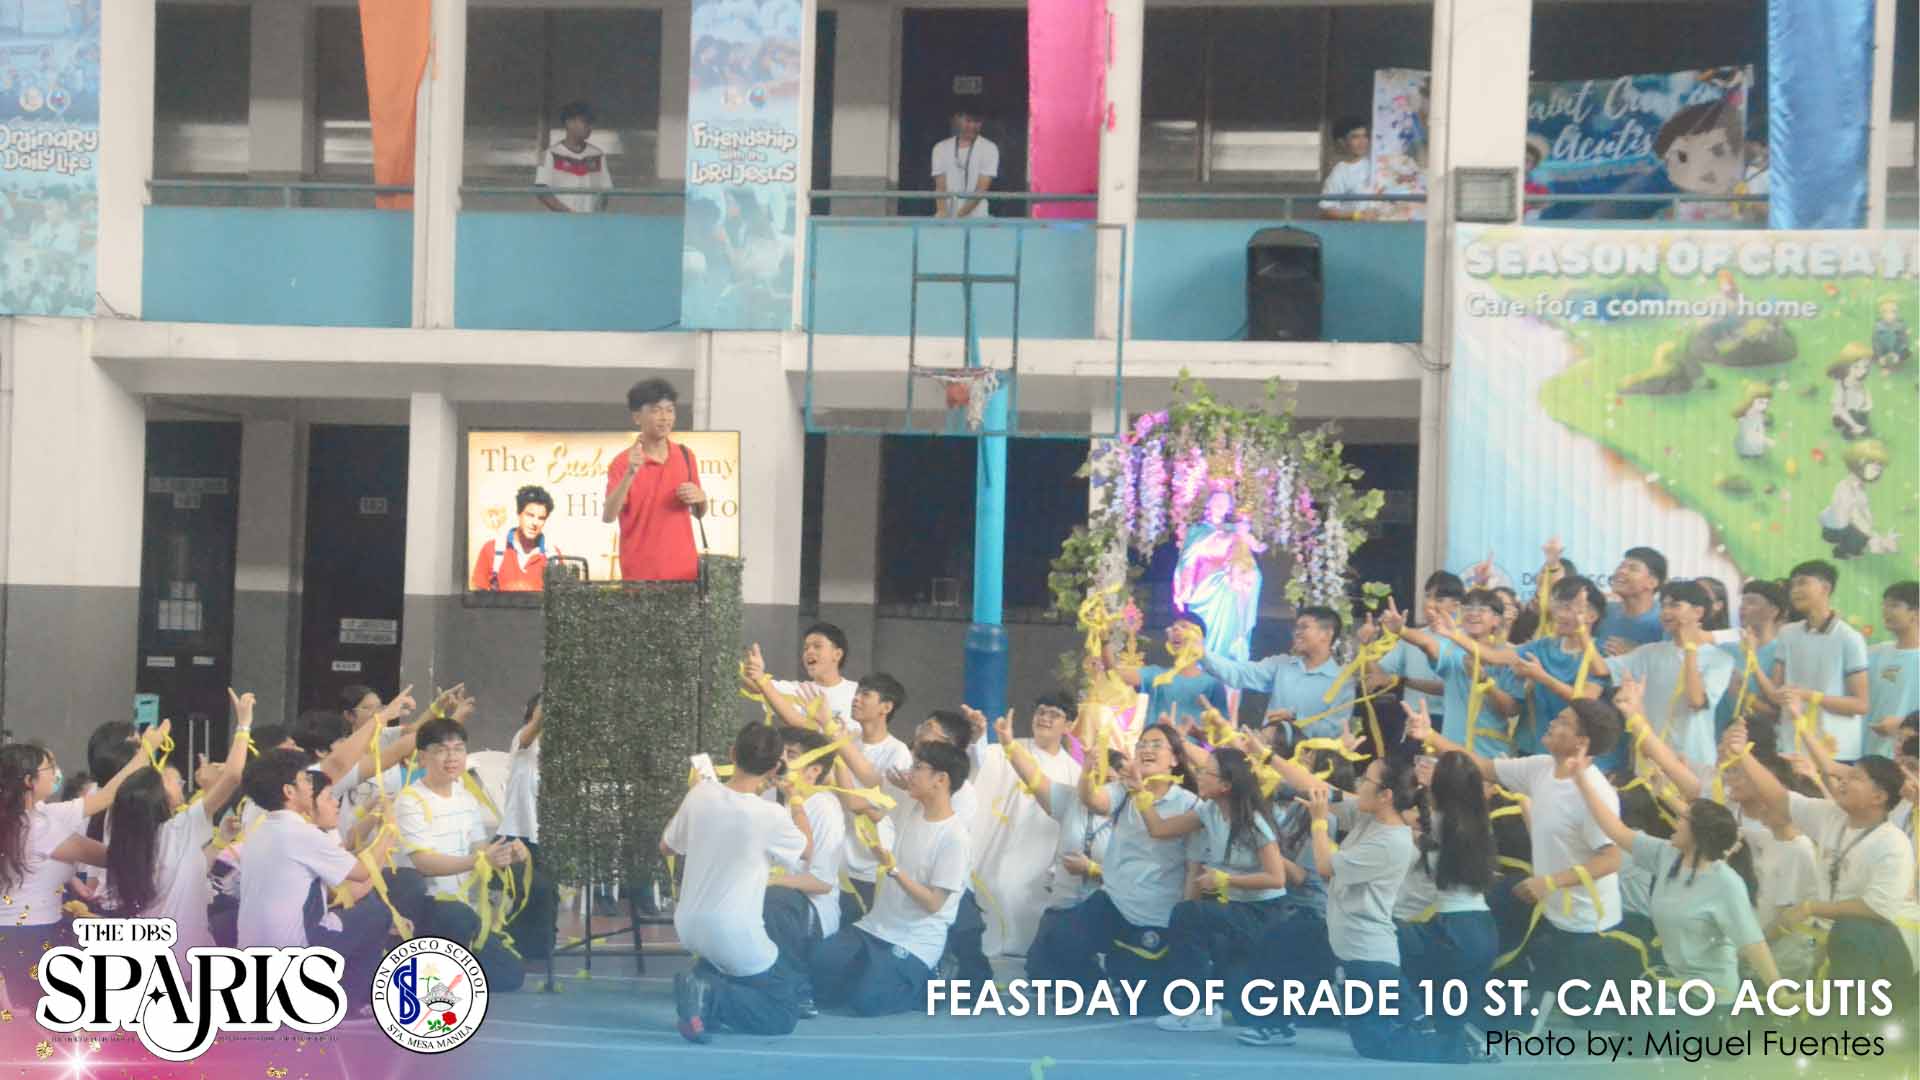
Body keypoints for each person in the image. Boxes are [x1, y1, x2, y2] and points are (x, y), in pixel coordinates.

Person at [1407, 697, 1630, 1020]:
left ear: (1581, 742)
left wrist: (1549, 882)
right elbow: (1481, 766)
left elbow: (1611, 859)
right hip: (1546, 904)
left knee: (1583, 1016)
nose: (1552, 722)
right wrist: (1430, 735)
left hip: (1585, 924)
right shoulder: (1541, 767)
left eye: (1563, 722)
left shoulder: (1596, 793)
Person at [1566, 747, 1779, 1013]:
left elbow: (1753, 943)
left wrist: (1779, 992)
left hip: (1710, 997)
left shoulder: (1726, 883)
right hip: (1674, 983)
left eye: (1683, 820)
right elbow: (1615, 829)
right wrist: (1582, 782)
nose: (1676, 823)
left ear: (1698, 834)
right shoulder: (1666, 854)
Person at [1724, 723, 1919, 998]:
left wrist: (1810, 907)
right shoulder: (1830, 816)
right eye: (1845, 776)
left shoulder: (1893, 843)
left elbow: (1876, 909)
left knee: (1852, 931)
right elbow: (1779, 797)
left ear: (1879, 796)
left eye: (1855, 778)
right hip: (1840, 939)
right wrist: (1742, 755)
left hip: (1888, 943)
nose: (1843, 781)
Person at [1024, 722, 1201, 1011]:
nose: (1147, 749)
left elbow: (1193, 867)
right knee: (1057, 941)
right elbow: (1093, 800)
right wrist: (1087, 770)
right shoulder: (1123, 790)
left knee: (1143, 1005)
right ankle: (1095, 983)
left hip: (1156, 912)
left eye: (1156, 744)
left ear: (1175, 759)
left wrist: (1185, 918)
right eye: (1142, 744)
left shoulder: (1190, 804)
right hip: (1113, 900)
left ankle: (1131, 974)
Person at [666, 723, 815, 1042]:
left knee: (737, 968)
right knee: (783, 1011)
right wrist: (796, 799)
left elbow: (667, 847)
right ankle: (709, 994)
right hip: (733, 932)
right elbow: (807, 851)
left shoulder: (700, 793)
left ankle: (703, 983)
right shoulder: (770, 815)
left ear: (732, 754)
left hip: (688, 927)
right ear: (775, 767)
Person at [1307, 758, 1461, 1062]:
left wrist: (1318, 821)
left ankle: (1461, 1046)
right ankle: (1445, 1038)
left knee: (1381, 1045)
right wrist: (1267, 758)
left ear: (1386, 795)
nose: (1358, 785)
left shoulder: (1392, 842)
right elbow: (1315, 787)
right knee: (1373, 1041)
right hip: (1354, 952)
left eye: (1365, 780)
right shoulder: (1370, 817)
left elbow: (1325, 867)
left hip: (1369, 956)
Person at [1137, 746, 1294, 1032]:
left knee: (1188, 914)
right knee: (1243, 1006)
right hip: (1238, 908)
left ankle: (1196, 1008)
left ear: (1225, 785)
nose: (1198, 775)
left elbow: (1276, 878)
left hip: (1264, 913)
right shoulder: (1208, 811)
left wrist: (1225, 880)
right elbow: (1160, 829)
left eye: (1206, 772)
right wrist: (1139, 792)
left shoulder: (1253, 823)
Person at [0, 723, 168, 988]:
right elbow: (107, 857)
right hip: (28, 935)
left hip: (23, 930)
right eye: (49, 768)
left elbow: (105, 796)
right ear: (29, 781)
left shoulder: (34, 815)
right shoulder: (36, 827)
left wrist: (146, 750)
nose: (56, 772)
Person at [810, 741, 970, 1016]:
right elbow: (854, 801)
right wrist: (836, 748)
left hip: (914, 940)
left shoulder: (955, 838)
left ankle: (932, 978)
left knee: (868, 1002)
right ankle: (874, 973)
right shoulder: (909, 804)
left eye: (918, 767)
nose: (910, 773)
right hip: (875, 927)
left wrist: (894, 870)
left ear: (941, 779)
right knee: (818, 965)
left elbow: (934, 904)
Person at [103, 693, 253, 969]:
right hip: (186, 963)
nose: (181, 783)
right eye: (173, 781)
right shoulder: (179, 828)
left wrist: (221, 841)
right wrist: (243, 724)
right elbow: (232, 776)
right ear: (159, 796)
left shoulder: (127, 839)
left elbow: (188, 871)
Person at [236, 748, 396, 1004]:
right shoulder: (300, 833)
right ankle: (351, 1003)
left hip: (251, 953)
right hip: (293, 954)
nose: (310, 785)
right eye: (305, 779)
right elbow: (361, 872)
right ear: (289, 791)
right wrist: (389, 831)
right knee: (376, 913)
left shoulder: (260, 831)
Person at [393, 717, 530, 992]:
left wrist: (505, 854)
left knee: (510, 975)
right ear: (422, 757)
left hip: (462, 905)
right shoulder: (409, 800)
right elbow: (424, 864)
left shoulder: (466, 797)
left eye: (458, 749)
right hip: (425, 905)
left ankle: (449, 969)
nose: (452, 757)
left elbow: (479, 849)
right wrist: (479, 860)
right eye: (441, 750)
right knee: (458, 918)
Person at [1396, 752, 1500, 1061]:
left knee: (1386, 946)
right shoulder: (1480, 823)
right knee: (1452, 1013)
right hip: (1483, 927)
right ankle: (1463, 1040)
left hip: (1453, 929)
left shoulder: (1438, 822)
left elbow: (1406, 817)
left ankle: (1415, 1025)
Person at [964, 697, 1084, 956]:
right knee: (990, 901)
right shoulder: (1009, 748)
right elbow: (979, 762)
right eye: (1041, 711)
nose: (1045, 718)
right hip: (998, 845)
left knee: (1023, 918)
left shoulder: (1074, 773)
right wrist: (978, 736)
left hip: (1037, 858)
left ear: (1069, 726)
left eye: (1054, 714)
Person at [1597, 580, 1734, 777]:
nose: (1666, 612)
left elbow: (1696, 701)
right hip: (1650, 758)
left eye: (1675, 605)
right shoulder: (1650, 652)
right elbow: (1601, 668)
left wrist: (1689, 648)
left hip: (1694, 760)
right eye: (1663, 606)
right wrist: (1582, 630)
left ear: (1698, 612)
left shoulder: (1720, 659)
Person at [763, 726, 846, 1017]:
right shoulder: (771, 797)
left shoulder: (824, 808)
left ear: (813, 771)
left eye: (791, 755)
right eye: (780, 753)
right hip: (775, 892)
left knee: (773, 899)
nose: (781, 761)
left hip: (810, 907)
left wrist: (769, 881)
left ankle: (798, 990)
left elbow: (821, 882)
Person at [1378, 587, 1523, 750]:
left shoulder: (1508, 656)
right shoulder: (1452, 649)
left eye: (1482, 609)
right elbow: (1427, 643)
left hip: (1491, 751)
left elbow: (1512, 709)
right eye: (1468, 608)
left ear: (1496, 619)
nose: (1473, 613)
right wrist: (1402, 630)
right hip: (1452, 749)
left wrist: (1485, 683)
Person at [1763, 561, 1871, 762]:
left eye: (1802, 583)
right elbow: (1776, 693)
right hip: (1791, 746)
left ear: (1825, 588)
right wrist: (1752, 663)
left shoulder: (1849, 638)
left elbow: (1860, 704)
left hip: (1835, 751)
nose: (1795, 591)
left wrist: (1808, 696)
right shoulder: (1787, 634)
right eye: (1792, 585)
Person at [603, 378, 707, 582]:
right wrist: (630, 473)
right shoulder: (622, 463)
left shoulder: (686, 456)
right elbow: (608, 516)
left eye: (670, 410)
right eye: (656, 410)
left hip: (685, 575)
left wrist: (701, 498)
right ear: (637, 417)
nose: (665, 418)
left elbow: (698, 512)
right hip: (641, 576)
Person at [831, 673, 914, 926]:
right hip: (835, 862)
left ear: (886, 707)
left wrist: (838, 749)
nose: (856, 699)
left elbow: (868, 807)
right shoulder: (848, 738)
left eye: (866, 695)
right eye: (857, 693)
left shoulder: (898, 753)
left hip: (869, 868)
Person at [1201, 606, 1353, 740]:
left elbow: (1335, 730)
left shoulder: (1342, 681)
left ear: (1326, 634)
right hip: (1269, 753)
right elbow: (1239, 673)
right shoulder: (1281, 665)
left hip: (1311, 760)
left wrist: (1295, 719)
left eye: (1304, 627)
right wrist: (1201, 653)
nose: (1297, 633)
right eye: (1296, 628)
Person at [501, 690, 559, 963]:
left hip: (547, 833)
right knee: (528, 891)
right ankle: (517, 947)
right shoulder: (523, 739)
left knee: (548, 892)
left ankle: (541, 949)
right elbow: (531, 732)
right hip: (518, 833)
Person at [1099, 614, 1229, 733]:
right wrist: (1104, 639)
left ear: (1199, 639)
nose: (1175, 630)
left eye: (1184, 627)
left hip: (1190, 750)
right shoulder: (1156, 675)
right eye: (1173, 628)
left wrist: (1192, 731)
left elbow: (1222, 733)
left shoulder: (1212, 684)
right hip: (1153, 746)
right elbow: (1114, 673)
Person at [1371, 572, 1462, 728]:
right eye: (1427, 596)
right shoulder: (1409, 638)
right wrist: (1368, 646)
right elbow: (1379, 674)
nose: (1430, 604)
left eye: (1439, 600)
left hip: (1450, 722)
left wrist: (1402, 681)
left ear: (1456, 605)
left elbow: (1453, 687)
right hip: (1412, 720)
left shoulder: (1464, 640)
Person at [742, 623, 859, 737]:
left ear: (837, 654)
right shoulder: (797, 689)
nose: (809, 651)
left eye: (817, 646)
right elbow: (758, 686)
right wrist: (754, 671)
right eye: (806, 648)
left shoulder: (857, 692)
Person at [1718, 579, 1788, 735]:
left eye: (1751, 602)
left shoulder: (1781, 653)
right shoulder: (1725, 650)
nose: (1742, 607)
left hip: (1756, 739)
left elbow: (1778, 713)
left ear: (1773, 611)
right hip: (1719, 736)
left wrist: (1742, 695)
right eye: (1742, 601)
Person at [1866, 582, 1920, 758]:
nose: (1885, 611)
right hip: (1868, 755)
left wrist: (1901, 724)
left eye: (1894, 605)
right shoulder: (1875, 653)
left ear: (1916, 613)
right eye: (1884, 605)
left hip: (1907, 760)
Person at [471, 485, 558, 591]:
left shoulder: (553, 556)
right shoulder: (491, 549)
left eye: (541, 518)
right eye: (530, 515)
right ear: (519, 513)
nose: (535, 523)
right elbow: (478, 596)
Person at [536, 101, 612, 214]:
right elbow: (542, 191)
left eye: (591, 123)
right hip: (560, 221)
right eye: (585, 121)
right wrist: (569, 214)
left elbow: (605, 191)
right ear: (569, 123)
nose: (590, 127)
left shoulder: (598, 155)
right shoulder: (550, 154)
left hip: (590, 221)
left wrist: (597, 215)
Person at [931, 102, 997, 219]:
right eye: (968, 121)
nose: (972, 126)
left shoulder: (989, 148)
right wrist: (942, 213)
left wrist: (958, 216)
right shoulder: (940, 148)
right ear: (957, 120)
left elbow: (981, 189)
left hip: (978, 218)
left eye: (976, 122)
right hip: (947, 218)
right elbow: (940, 187)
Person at [1598, 547, 1668, 656]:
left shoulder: (1666, 619)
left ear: (1652, 582)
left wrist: (1638, 654)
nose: (1621, 571)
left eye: (1633, 569)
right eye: (1621, 566)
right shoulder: (1604, 612)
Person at [1320, 118, 1376, 220]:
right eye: (1355, 137)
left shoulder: (1377, 163)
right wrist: (1357, 215)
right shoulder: (1340, 172)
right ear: (1342, 142)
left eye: (1365, 136)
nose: (1362, 142)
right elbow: (1326, 210)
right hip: (1358, 227)